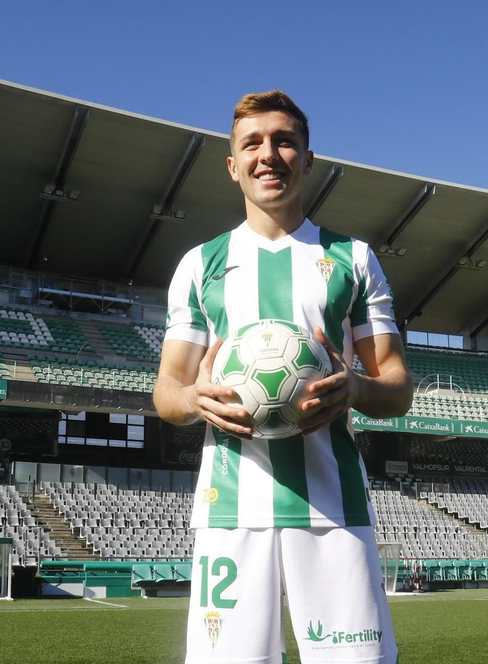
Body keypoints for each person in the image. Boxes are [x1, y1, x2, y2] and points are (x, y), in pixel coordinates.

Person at [154, 90, 412, 664]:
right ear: (233, 166)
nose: (268, 154)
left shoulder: (354, 259)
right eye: (252, 143)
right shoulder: (200, 266)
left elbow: (397, 383)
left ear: (308, 159)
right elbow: (167, 390)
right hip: (231, 512)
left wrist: (359, 388)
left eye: (284, 141)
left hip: (333, 510)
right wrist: (194, 397)